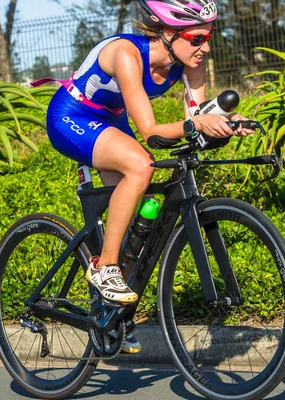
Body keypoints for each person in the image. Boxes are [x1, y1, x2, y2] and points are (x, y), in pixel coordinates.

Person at [43, 0, 255, 353]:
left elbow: (195, 120)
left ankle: (110, 313)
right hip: (72, 116)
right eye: (198, 38)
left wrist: (225, 124)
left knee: (140, 212)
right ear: (169, 33)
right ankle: (105, 267)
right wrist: (196, 123)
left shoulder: (189, 63)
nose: (206, 47)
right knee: (141, 164)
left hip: (110, 120)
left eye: (209, 37)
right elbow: (152, 131)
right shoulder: (127, 53)